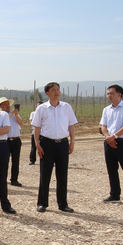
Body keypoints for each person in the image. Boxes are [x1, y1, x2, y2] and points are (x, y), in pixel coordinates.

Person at [32, 82, 78, 213]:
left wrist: (72, 142)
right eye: (53, 90)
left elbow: (71, 126)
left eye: (58, 89)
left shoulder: (66, 107)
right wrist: (37, 145)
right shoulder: (41, 109)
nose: (57, 92)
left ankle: (63, 203)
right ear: (47, 93)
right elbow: (37, 128)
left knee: (62, 174)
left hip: (62, 143)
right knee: (45, 174)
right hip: (47, 143)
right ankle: (42, 203)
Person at [4, 99, 24, 187]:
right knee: (4, 161)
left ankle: (14, 179)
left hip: (16, 140)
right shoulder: (1, 115)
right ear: (1, 106)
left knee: (16, 161)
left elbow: (21, 123)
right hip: (6, 141)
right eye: (5, 104)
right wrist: (11, 114)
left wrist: (16, 115)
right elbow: (4, 122)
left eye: (8, 104)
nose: (8, 106)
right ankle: (2, 178)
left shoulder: (15, 115)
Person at [28, 100, 42, 165]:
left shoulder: (44, 113)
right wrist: (37, 126)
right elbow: (31, 122)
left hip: (43, 134)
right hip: (35, 132)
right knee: (34, 147)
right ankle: (32, 160)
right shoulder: (33, 113)